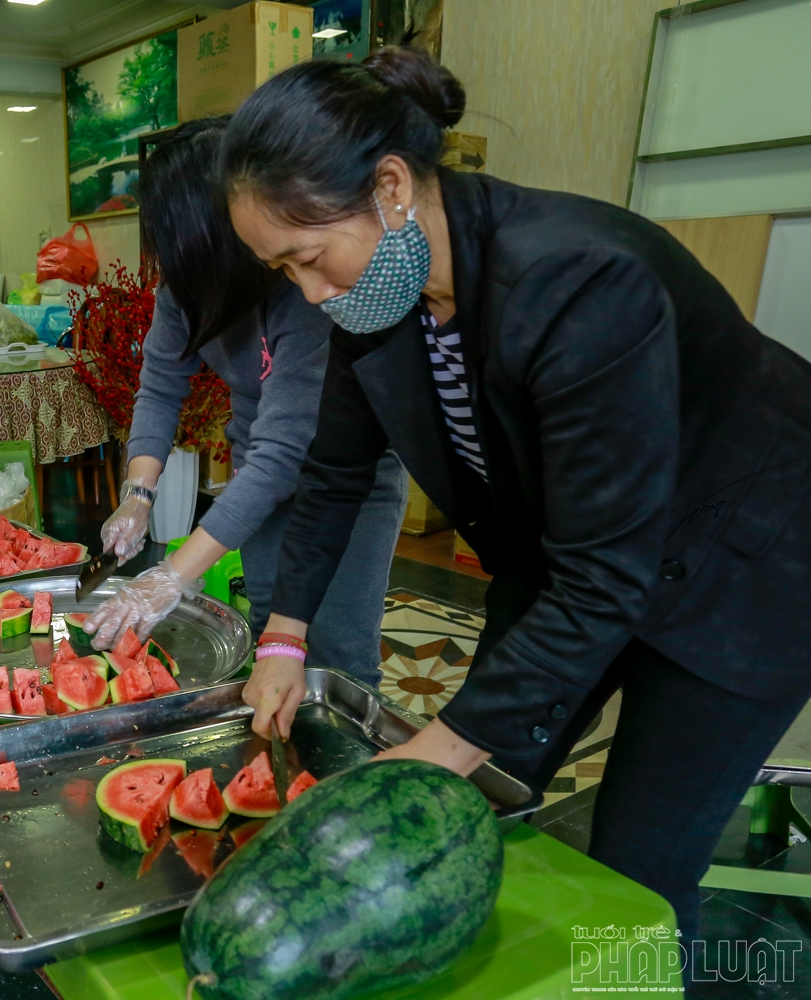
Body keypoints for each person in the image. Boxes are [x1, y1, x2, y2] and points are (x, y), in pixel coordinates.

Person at [228, 48, 811, 942]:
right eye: (284, 273)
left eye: (309, 256)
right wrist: (285, 632)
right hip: (572, 560)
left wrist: (442, 749)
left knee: (638, 870)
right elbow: (336, 474)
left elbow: (607, 575)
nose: (311, 292)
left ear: (390, 186)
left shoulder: (579, 280)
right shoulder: (374, 293)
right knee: (492, 785)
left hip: (746, 564)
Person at [83, 119, 407, 688]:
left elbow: (284, 452)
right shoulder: (189, 285)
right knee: (271, 635)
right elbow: (160, 385)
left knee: (338, 654)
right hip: (258, 469)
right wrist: (137, 495)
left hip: (348, 478)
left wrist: (170, 576)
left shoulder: (301, 291)